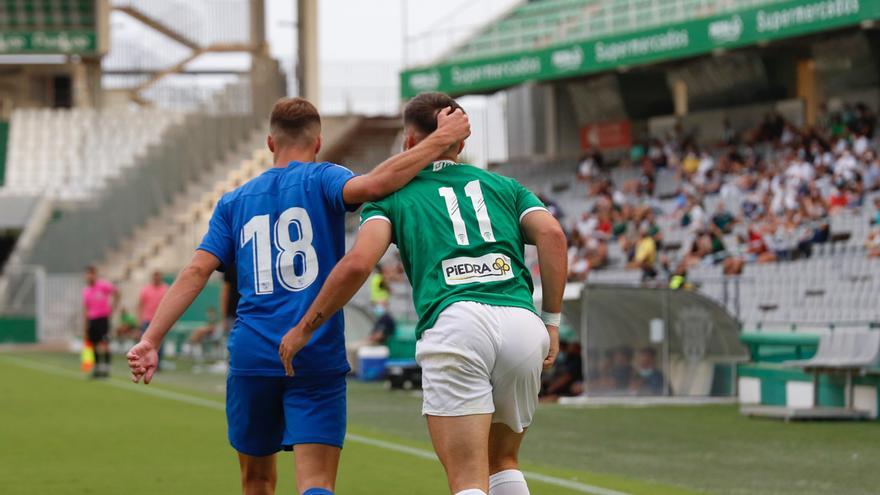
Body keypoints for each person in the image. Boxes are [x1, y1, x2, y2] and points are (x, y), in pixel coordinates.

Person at [126, 96, 470, 495]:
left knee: (256, 481)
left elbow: (196, 271)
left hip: (254, 353)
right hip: (315, 350)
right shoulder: (325, 178)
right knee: (317, 482)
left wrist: (151, 339)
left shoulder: (233, 202)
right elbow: (376, 184)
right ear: (319, 142)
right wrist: (440, 138)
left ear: (271, 143)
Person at [279, 92, 567, 495]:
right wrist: (551, 322)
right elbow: (552, 234)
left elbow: (359, 263)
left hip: (456, 323)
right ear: (461, 143)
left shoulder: (391, 195)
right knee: (502, 462)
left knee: (467, 478)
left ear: (408, 142)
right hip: (521, 322)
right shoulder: (504, 186)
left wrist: (306, 326)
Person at [82, 266, 118, 378]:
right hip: (92, 320)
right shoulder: (86, 291)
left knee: (104, 344)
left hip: (103, 319)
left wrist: (113, 308)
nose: (89, 276)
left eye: (91, 274)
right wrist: (85, 325)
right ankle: (97, 369)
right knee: (93, 345)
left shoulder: (103, 285)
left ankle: (106, 370)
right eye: (88, 274)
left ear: (95, 275)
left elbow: (117, 293)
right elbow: (86, 308)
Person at [139, 271, 169, 368]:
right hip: (147, 319)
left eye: (158, 276)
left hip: (160, 320)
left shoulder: (165, 289)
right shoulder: (146, 289)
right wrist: (140, 318)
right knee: (146, 343)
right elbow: (140, 304)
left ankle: (158, 364)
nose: (156, 278)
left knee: (159, 344)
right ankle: (146, 363)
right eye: (155, 276)